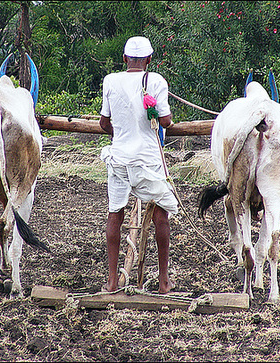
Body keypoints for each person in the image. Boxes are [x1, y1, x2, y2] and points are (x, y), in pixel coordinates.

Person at [99, 36, 178, 294]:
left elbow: (103, 123)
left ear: (124, 59)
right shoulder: (155, 80)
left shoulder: (110, 80)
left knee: (115, 214)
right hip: (148, 160)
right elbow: (165, 121)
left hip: (119, 159)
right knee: (161, 214)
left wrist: (119, 135)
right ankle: (164, 282)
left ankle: (111, 282)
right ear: (149, 60)